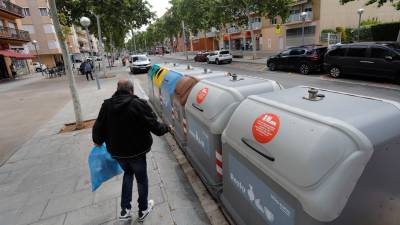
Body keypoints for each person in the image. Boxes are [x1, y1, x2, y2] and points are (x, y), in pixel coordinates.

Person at [92, 79, 170, 222]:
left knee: (128, 174)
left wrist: (98, 141)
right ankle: (143, 210)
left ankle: (125, 210)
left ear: (117, 89)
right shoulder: (138, 104)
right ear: (131, 90)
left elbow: (97, 129)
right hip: (137, 152)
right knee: (141, 179)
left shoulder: (107, 105)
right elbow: (155, 126)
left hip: (118, 153)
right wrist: (167, 127)